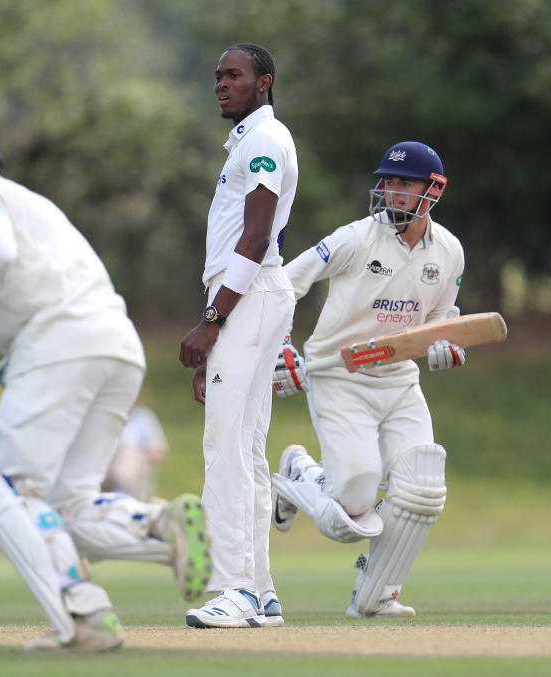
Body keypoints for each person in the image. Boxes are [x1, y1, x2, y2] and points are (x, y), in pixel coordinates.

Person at [0, 107, 211, 652]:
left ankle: (84, 616)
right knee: (67, 505)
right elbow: (38, 278)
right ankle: (160, 523)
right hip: (115, 346)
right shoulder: (27, 200)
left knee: (19, 494)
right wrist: (14, 347)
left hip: (62, 346)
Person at [270, 141, 464, 618]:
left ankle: (375, 597)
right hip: (339, 376)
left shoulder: (449, 251)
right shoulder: (355, 239)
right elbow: (284, 284)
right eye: (389, 182)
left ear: (433, 190)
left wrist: (446, 346)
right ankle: (299, 473)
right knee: (348, 515)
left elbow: (441, 323)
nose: (392, 192)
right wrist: (281, 347)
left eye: (405, 183)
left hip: (399, 380)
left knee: (423, 488)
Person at [178, 43, 298, 629]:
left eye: (235, 75)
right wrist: (217, 320)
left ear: (264, 82)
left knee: (224, 446)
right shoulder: (249, 141)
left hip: (249, 296)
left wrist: (213, 321)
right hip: (247, 299)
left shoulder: (265, 142)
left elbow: (254, 239)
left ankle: (235, 591)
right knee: (245, 446)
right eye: (219, 76)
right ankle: (261, 591)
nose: (222, 84)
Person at [102, 405, 169, 502]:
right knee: (123, 453)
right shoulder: (107, 415)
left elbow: (160, 452)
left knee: (126, 454)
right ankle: (122, 499)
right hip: (108, 461)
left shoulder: (143, 416)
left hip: (136, 464)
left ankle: (121, 497)